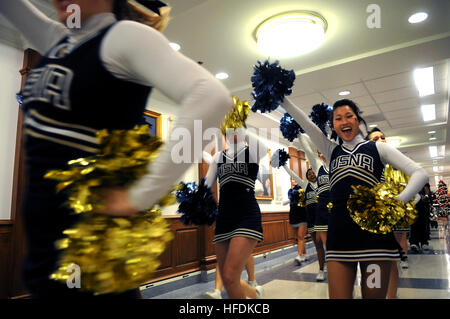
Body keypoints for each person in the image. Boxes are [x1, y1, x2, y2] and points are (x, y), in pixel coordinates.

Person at [1, 0, 231, 298]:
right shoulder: (59, 40)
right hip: (42, 251)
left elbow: (212, 98)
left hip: (91, 256)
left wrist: (140, 195)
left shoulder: (122, 36)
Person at [281, 97, 428, 298]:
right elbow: (306, 123)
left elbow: (421, 174)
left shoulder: (378, 148)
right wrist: (283, 100)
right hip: (339, 236)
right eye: (338, 118)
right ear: (333, 125)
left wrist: (398, 201)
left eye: (349, 116)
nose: (344, 121)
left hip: (375, 240)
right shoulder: (332, 151)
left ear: (358, 121)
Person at [204, 127, 264, 299]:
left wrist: (238, 121)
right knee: (228, 277)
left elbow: (262, 144)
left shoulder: (252, 152)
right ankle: (255, 296)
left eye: (237, 130)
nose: (233, 134)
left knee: (230, 276)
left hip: (247, 216)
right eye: (229, 131)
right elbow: (206, 186)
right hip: (223, 218)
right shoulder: (218, 157)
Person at [367, 127, 408, 299]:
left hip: (389, 219)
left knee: (390, 261)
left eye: (383, 137)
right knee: (371, 261)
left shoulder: (395, 165)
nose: (381, 140)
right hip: (368, 219)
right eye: (376, 138)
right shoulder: (366, 165)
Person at [271, 149, 325, 280]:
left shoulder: (321, 184)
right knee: (318, 245)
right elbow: (293, 174)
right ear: (306, 177)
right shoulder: (305, 185)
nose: (312, 175)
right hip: (311, 219)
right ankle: (321, 269)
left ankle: (329, 263)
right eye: (309, 174)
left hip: (323, 217)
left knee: (324, 242)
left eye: (313, 173)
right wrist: (283, 164)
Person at [410, 184, 432, 253]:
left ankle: (424, 242)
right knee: (414, 225)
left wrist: (425, 196)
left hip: (423, 207)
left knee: (423, 224)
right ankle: (414, 243)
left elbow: (427, 191)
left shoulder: (424, 181)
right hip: (414, 207)